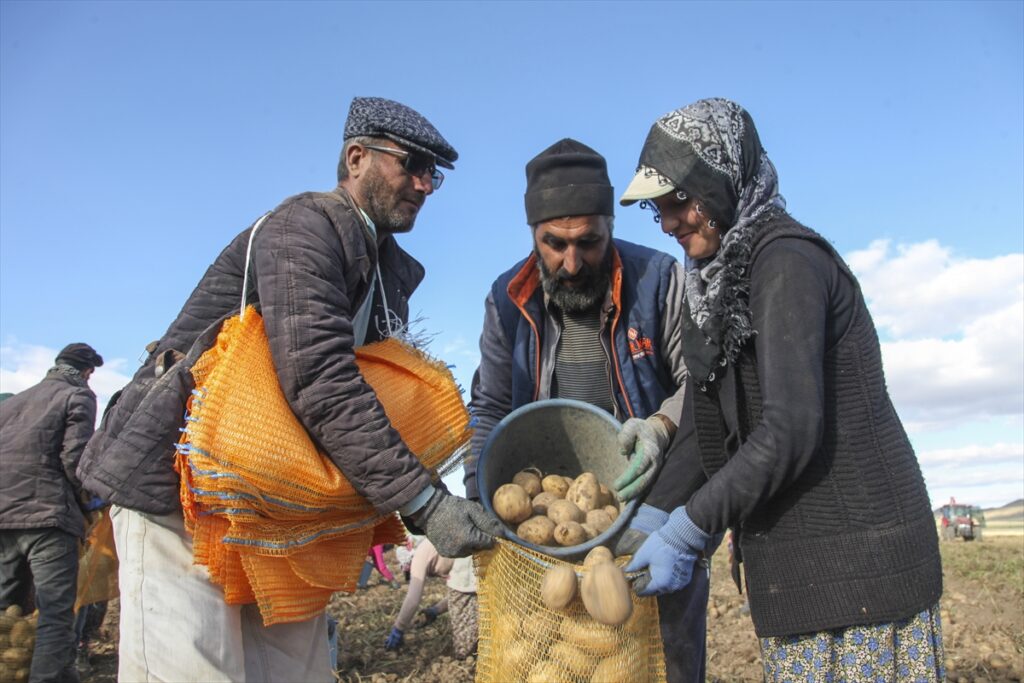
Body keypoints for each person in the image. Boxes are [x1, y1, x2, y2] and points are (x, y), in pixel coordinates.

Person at [76, 96, 503, 683]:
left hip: (267, 507)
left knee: (295, 670)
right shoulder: (305, 228)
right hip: (180, 490)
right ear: (356, 157)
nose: (425, 185)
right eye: (413, 165)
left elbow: (361, 395)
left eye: (436, 174)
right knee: (192, 670)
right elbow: (321, 379)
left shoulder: (386, 274)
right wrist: (423, 501)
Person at [618, 98, 944, 681]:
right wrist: (655, 505)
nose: (668, 223)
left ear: (721, 182)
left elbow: (791, 427)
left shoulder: (786, 262)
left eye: (680, 201)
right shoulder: (712, 284)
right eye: (658, 209)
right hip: (805, 574)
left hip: (860, 568)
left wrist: (690, 528)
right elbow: (706, 409)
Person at [463, 138, 710, 681]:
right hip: (546, 522)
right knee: (547, 656)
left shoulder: (659, 281)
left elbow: (703, 383)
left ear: (610, 227)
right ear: (533, 234)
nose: (571, 263)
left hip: (650, 512)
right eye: (554, 244)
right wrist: (478, 487)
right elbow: (488, 405)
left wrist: (661, 426)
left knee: (659, 659)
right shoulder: (508, 299)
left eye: (589, 243)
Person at [0, 343, 104, 683]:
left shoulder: (13, 403)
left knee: (5, 610)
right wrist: (91, 501)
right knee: (55, 613)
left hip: (4, 516)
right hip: (49, 518)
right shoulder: (78, 396)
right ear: (87, 371)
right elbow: (74, 460)